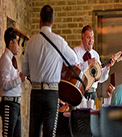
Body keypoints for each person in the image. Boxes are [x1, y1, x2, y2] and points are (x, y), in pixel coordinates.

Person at [22, 5, 86, 137]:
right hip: (52, 93)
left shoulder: (31, 43)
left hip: (35, 92)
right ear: (53, 21)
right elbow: (73, 60)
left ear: (40, 20)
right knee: (50, 132)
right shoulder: (59, 41)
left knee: (33, 131)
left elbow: (25, 70)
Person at [73, 25, 115, 100]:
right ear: (82, 38)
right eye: (88, 37)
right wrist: (88, 63)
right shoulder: (76, 51)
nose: (91, 40)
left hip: (93, 93)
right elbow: (75, 71)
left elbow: (100, 78)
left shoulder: (95, 54)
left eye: (92, 37)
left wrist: (107, 67)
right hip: (80, 93)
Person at [0, 27, 25, 137]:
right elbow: (4, 84)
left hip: (16, 104)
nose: (19, 46)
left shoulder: (12, 60)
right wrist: (20, 79)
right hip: (9, 105)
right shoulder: (5, 60)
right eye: (17, 42)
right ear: (11, 42)